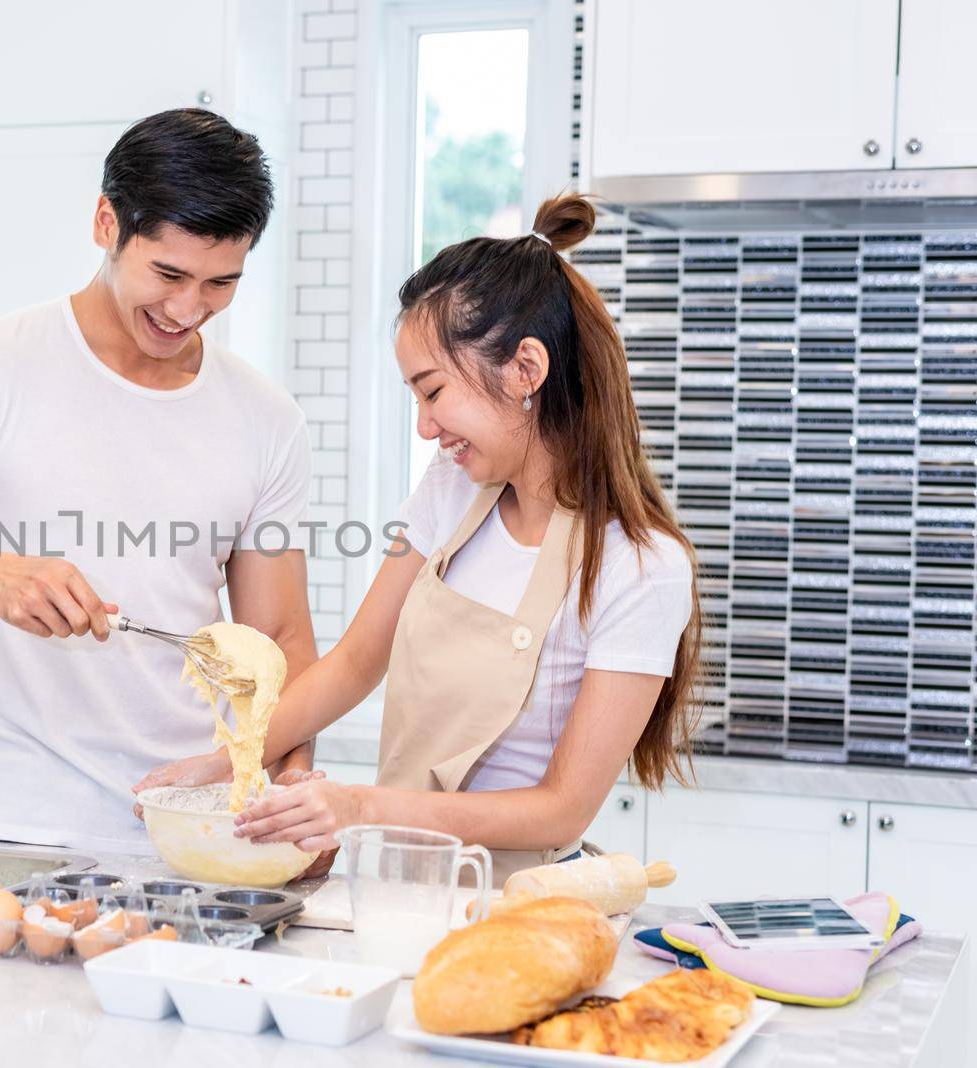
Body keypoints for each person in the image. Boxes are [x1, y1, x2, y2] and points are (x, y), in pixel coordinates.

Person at [0, 109, 319, 854]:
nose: (187, 310)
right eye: (167, 274)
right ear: (107, 222)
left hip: (201, 832)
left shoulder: (266, 418)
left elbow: (281, 638)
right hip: (29, 836)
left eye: (219, 283)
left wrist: (293, 786)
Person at [135, 194, 701, 883]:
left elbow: (561, 810)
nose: (426, 428)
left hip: (512, 901)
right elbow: (352, 664)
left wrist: (358, 808)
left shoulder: (640, 565)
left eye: (433, 393)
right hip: (396, 887)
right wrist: (219, 770)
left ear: (527, 369)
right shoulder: (451, 488)